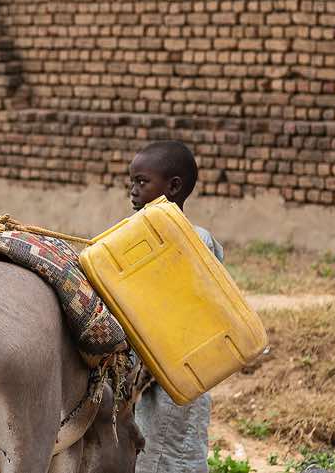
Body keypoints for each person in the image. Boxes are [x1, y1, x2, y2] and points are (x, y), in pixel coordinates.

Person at [129, 140, 223, 473]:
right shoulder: (137, 239)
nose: (133, 191)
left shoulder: (196, 238)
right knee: (147, 451)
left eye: (142, 182)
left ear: (173, 187)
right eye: (132, 183)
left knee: (172, 453)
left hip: (182, 374)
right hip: (149, 370)